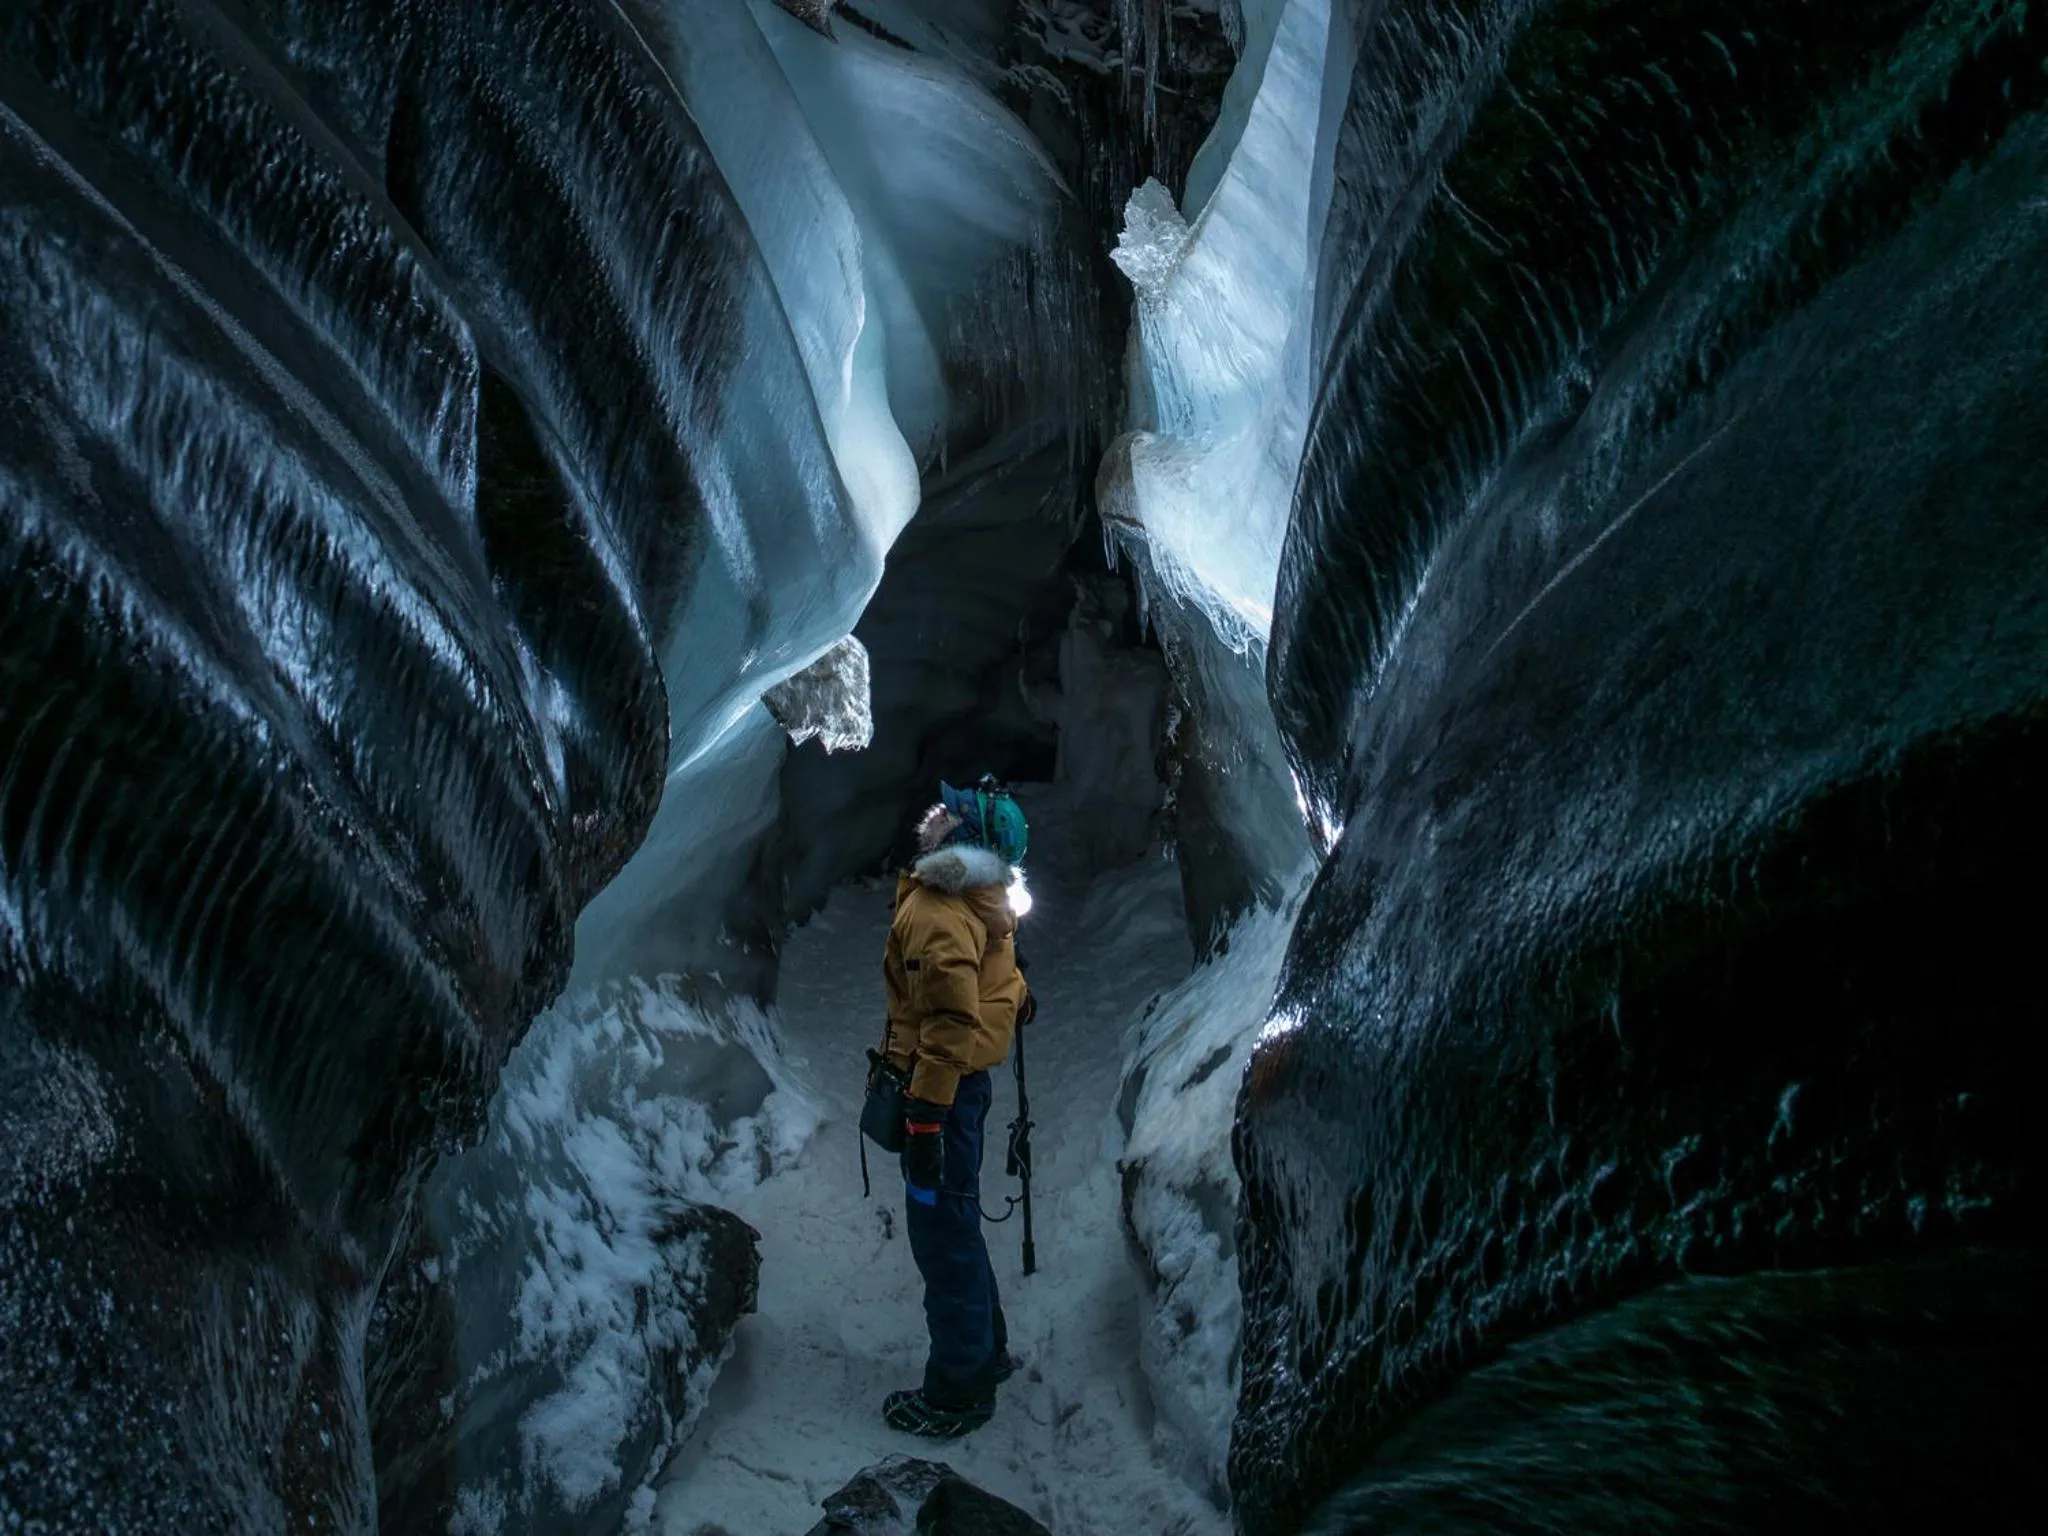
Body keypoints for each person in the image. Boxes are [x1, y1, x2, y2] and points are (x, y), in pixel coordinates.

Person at [877, 777, 1034, 1437]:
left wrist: (923, 1120)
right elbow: (995, 975)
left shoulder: (940, 910)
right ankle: (985, 1353)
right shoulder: (979, 896)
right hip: (962, 1091)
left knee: (942, 1242)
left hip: (940, 1094)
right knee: (959, 1228)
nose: (936, 812)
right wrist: (1017, 999)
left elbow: (946, 1022)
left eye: (953, 812)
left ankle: (958, 1391)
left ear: (967, 838)